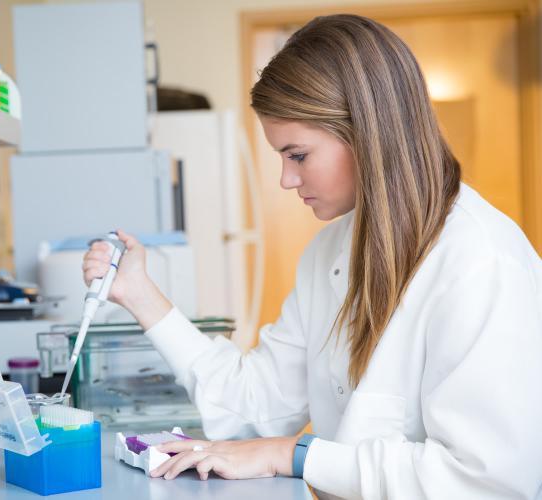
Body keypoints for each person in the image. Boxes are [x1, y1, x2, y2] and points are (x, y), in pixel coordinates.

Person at [82, 14, 542, 500]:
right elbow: (254, 405)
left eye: (297, 155)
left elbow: (488, 482)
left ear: (368, 135)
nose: (286, 179)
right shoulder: (330, 251)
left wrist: (295, 454)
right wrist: (139, 295)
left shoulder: (480, 261)